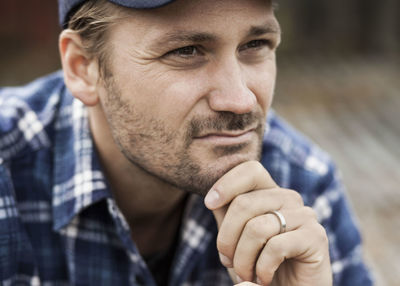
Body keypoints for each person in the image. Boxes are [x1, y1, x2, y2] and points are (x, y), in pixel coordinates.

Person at [0, 0, 373, 285]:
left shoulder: (302, 186)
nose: (240, 100)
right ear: (83, 67)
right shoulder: (8, 174)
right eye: (186, 51)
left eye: (256, 43)